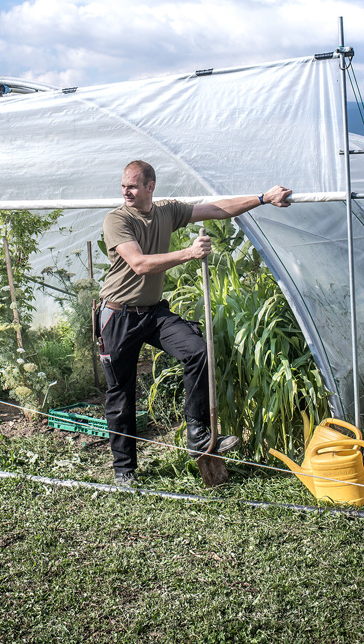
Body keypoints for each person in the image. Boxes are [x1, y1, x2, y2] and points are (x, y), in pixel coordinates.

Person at [97, 159, 292, 486]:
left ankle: (197, 434)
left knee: (198, 350)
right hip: (117, 315)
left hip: (153, 313)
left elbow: (217, 209)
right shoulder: (117, 219)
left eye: (132, 186)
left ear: (150, 187)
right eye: (123, 186)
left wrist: (262, 198)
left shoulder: (166, 211)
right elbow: (140, 264)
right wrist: (189, 253)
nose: (126, 192)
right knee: (122, 394)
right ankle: (124, 471)